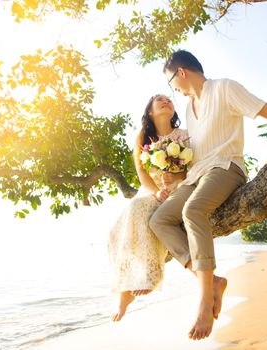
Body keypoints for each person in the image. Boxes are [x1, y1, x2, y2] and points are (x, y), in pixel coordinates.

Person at [149, 50, 267, 340]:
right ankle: (213, 281)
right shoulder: (188, 109)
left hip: (226, 168)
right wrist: (176, 177)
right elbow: (197, 154)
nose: (174, 89)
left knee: (192, 211)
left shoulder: (224, 88)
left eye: (172, 82)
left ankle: (204, 299)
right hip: (197, 175)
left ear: (181, 73)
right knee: (159, 220)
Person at [107, 94, 187, 322]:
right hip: (152, 189)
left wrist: (175, 177)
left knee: (136, 208)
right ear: (150, 111)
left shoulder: (183, 135)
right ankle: (125, 288)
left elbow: (191, 167)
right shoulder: (143, 136)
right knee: (114, 232)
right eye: (159, 100)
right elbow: (142, 172)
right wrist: (156, 191)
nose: (166, 101)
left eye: (169, 100)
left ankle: (150, 277)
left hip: (179, 187)